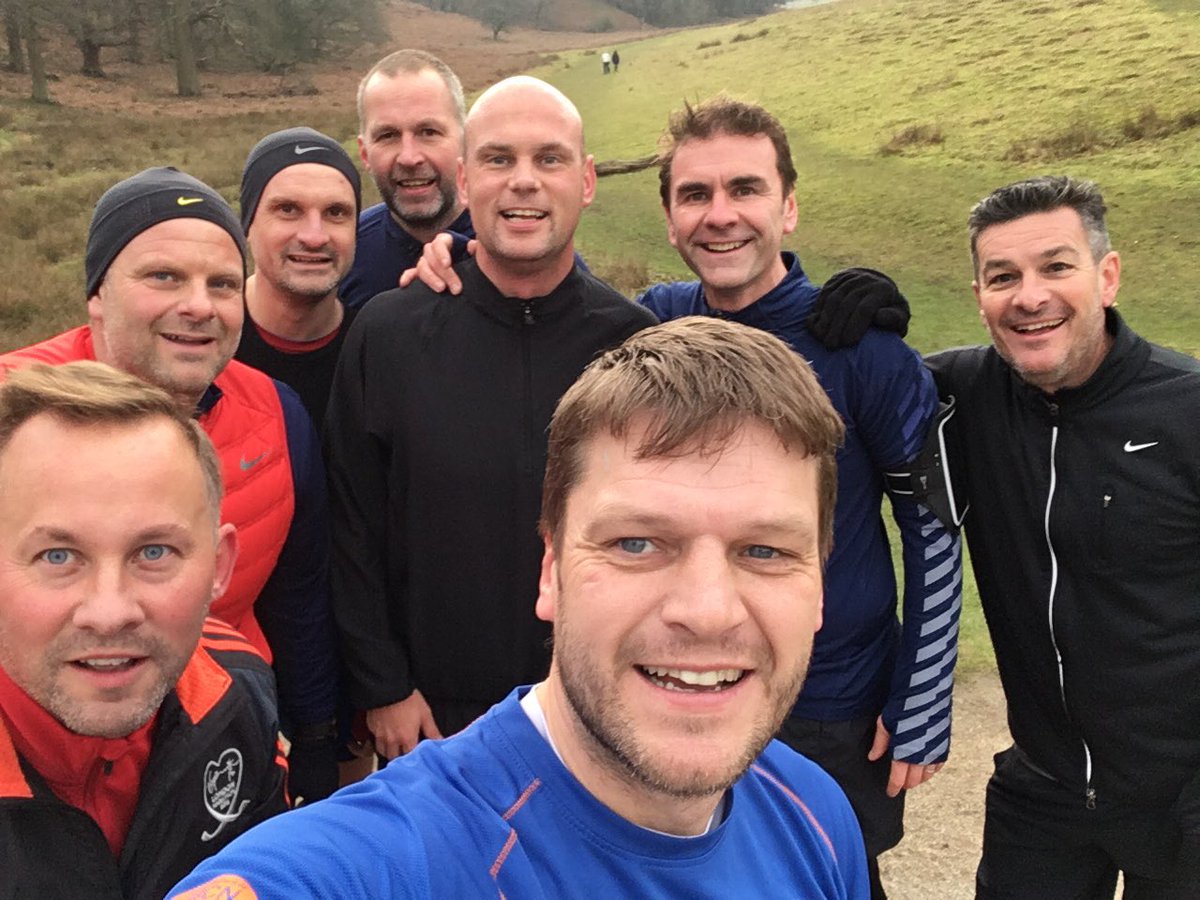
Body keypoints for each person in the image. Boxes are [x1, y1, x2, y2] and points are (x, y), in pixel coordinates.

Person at [409, 95, 961, 899]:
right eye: (695, 196)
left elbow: (932, 525)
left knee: (828, 871)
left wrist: (923, 699)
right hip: (682, 679)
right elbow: (557, 291)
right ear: (669, 219)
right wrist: (460, 247)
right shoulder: (653, 321)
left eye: (745, 190)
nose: (721, 215)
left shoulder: (864, 349)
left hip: (834, 699)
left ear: (789, 206)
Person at [171, 317, 868, 899]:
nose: (709, 611)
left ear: (819, 587)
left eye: (766, 552)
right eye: (637, 542)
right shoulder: (388, 861)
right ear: (551, 571)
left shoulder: (814, 814)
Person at [322, 76, 656, 763]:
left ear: (587, 181)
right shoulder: (387, 334)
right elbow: (350, 523)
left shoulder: (636, 346)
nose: (524, 182)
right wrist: (383, 685)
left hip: (595, 704)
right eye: (500, 160)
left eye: (550, 159)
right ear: (465, 180)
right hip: (433, 717)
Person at [0, 167, 340, 804]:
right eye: (164, 277)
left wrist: (316, 742)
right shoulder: (12, 413)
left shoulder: (277, 414)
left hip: (219, 742)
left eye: (220, 283)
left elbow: (299, 599)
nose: (198, 305)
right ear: (97, 294)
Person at [925, 176, 1200, 898]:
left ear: (1106, 277)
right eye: (1002, 276)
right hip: (1042, 791)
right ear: (980, 294)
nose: (1028, 295)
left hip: (1182, 799)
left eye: (1056, 266)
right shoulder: (960, 391)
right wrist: (854, 319)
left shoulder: (1189, 410)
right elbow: (834, 393)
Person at [0, 361, 287, 898]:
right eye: (58, 555)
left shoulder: (238, 695)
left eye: (154, 552)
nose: (109, 613)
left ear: (219, 567)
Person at [235, 126, 362, 432]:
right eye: (288, 209)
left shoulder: (377, 353)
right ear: (247, 224)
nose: (314, 236)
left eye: (335, 212)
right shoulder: (204, 343)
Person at [339, 49, 473, 310]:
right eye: (388, 135)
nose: (409, 158)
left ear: (466, 141)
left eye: (428, 132)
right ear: (365, 153)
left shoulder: (515, 253)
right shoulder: (344, 255)